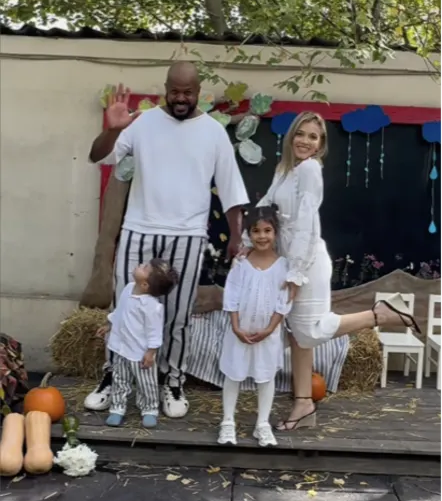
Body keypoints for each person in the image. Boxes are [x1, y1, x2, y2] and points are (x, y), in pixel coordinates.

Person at [85, 62, 249, 418]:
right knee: (125, 308)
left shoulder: (213, 132)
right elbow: (99, 155)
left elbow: (231, 189)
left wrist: (236, 236)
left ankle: (171, 380)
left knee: (177, 314)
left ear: (198, 92)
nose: (181, 98)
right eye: (175, 91)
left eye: (188, 92)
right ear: (165, 89)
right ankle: (113, 376)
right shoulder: (142, 122)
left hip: (188, 235)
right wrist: (113, 129)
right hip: (138, 228)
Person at [243, 111, 420, 432]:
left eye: (313, 137)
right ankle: (304, 406)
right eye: (300, 134)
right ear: (291, 136)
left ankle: (379, 314)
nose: (305, 141)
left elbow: (307, 223)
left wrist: (297, 273)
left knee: (309, 332)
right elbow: (264, 208)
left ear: (321, 144)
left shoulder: (310, 170)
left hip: (307, 262)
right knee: (298, 336)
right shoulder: (285, 169)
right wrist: (246, 242)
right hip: (289, 259)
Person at [218, 205, 292, 448]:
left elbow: (284, 301)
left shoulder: (283, 266)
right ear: (249, 234)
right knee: (233, 374)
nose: (262, 236)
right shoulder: (241, 263)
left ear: (276, 232)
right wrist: (236, 327)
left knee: (266, 376)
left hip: (267, 333)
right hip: (240, 331)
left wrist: (270, 329)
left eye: (267, 230)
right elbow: (231, 294)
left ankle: (262, 424)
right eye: (256, 231)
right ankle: (228, 421)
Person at [97, 259, 178, 428]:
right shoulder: (128, 288)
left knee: (146, 383)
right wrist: (110, 324)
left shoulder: (152, 307)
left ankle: (149, 409)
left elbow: (154, 332)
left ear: (145, 285)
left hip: (139, 353)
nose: (140, 265)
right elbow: (120, 311)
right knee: (119, 379)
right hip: (121, 347)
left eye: (145, 267)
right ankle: (117, 408)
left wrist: (151, 352)